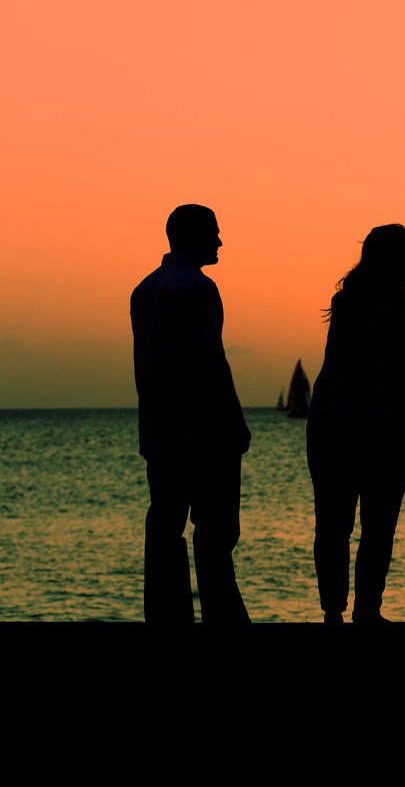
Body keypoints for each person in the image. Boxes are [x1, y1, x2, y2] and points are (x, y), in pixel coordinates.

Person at [306, 224, 405, 625]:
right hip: (381, 426)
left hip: (330, 423)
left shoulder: (346, 302)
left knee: (332, 523)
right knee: (378, 525)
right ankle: (366, 611)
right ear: (395, 259)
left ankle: (334, 612)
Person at [130, 203, 251, 624]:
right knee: (216, 529)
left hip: (160, 427)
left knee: (165, 522)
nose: (220, 241)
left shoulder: (145, 289)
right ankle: (223, 615)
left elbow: (146, 365)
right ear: (194, 235)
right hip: (205, 428)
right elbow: (210, 361)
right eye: (214, 232)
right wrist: (235, 422)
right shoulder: (199, 289)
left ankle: (166, 615)